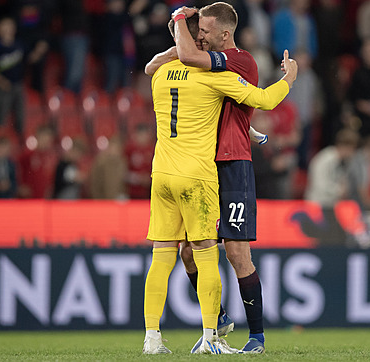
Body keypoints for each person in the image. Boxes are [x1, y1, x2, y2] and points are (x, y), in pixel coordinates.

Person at [142, 6, 297, 355]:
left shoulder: (239, 62)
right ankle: (218, 321)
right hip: (201, 168)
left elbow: (255, 99)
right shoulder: (197, 60)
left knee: (236, 253)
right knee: (187, 253)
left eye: (206, 32)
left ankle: (255, 336)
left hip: (231, 163)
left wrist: (287, 81)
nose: (201, 36)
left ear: (224, 35)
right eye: (199, 32)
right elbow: (175, 59)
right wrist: (180, 40)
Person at [0, 17, 25, 135]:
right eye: (5, 26)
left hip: (18, 84)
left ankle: (20, 137)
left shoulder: (19, 44)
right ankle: (0, 136)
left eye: (10, 26)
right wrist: (1, 82)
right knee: (2, 112)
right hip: (3, 86)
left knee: (20, 112)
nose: (8, 29)